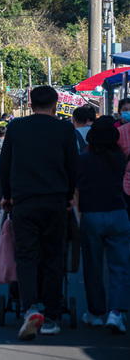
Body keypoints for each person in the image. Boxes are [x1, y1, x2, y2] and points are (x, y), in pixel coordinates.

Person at [0, 85, 78, 340]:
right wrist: (68, 196)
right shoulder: (65, 129)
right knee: (54, 258)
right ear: (56, 105)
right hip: (55, 202)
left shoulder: (16, 127)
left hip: (23, 201)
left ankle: (29, 308)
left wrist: (6, 196)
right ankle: (52, 318)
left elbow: (6, 164)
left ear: (30, 105)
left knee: (26, 256)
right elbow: (72, 166)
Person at [76, 116, 130, 334]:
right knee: (120, 266)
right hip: (118, 214)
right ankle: (116, 313)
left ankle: (95, 313)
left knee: (93, 266)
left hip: (92, 215)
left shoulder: (83, 160)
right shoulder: (120, 160)